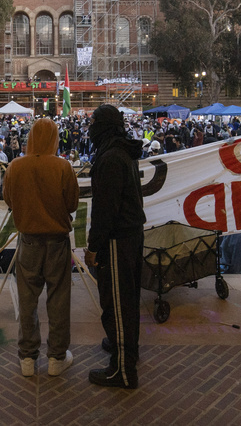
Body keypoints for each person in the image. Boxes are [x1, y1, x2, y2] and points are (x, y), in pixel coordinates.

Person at [2, 118, 79, 378]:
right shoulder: (63, 166)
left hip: (29, 243)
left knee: (27, 301)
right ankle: (57, 358)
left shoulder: (15, 166)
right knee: (58, 300)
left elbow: (9, 200)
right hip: (57, 243)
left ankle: (27, 357)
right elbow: (72, 204)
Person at [83, 104, 145, 389]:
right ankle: (123, 345)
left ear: (103, 126)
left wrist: (94, 247)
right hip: (129, 236)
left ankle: (122, 369)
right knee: (127, 300)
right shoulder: (123, 152)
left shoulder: (110, 158)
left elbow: (104, 210)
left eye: (94, 121)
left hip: (118, 239)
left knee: (117, 302)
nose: (90, 126)